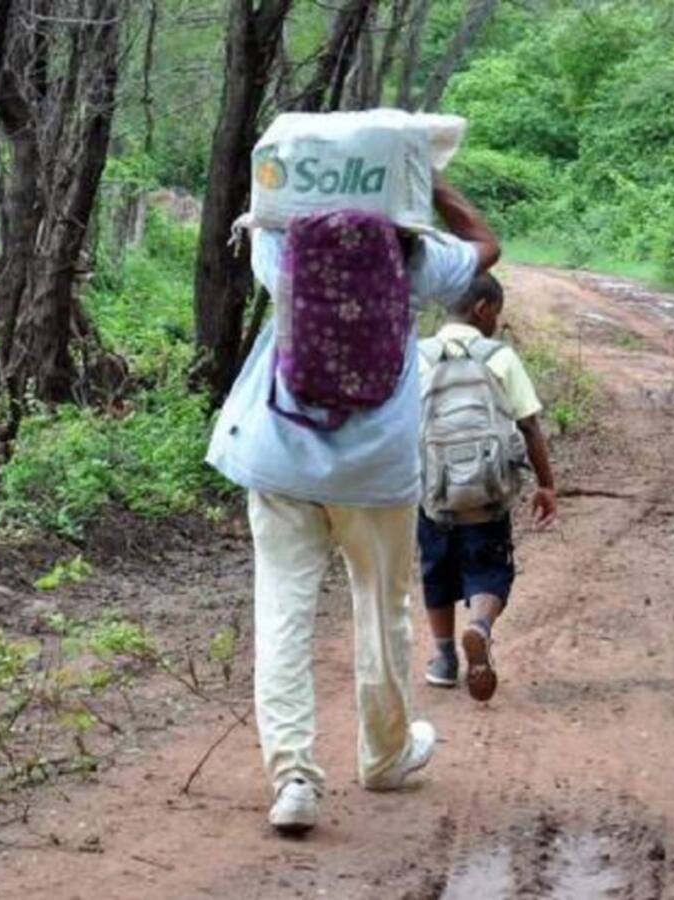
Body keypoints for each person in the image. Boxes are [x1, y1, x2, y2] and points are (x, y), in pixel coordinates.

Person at [205, 173, 500, 836]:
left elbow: (262, 204)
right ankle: (386, 756)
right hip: (374, 469)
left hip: (280, 455)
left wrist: (288, 182)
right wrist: (437, 184)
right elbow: (487, 244)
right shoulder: (415, 261)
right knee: (380, 609)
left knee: (282, 611)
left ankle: (293, 779)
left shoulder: (286, 252)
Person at [417, 273, 558, 701]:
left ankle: (443, 658)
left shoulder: (418, 355)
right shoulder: (499, 357)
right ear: (482, 307)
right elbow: (529, 425)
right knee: (490, 568)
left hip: (433, 492)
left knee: (436, 570)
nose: (498, 320)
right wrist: (546, 485)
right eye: (497, 311)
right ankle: (479, 626)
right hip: (488, 492)